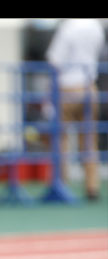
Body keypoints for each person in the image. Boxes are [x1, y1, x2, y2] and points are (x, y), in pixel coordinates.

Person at [46, 19, 106, 201]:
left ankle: (61, 184)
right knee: (89, 140)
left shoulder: (68, 27)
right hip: (89, 86)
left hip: (67, 87)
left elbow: (54, 59)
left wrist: (48, 92)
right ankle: (92, 187)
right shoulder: (96, 26)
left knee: (60, 139)